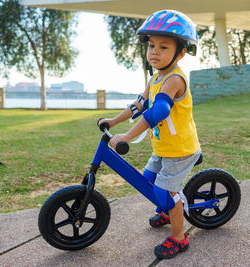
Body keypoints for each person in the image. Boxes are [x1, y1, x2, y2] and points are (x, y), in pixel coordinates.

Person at [99, 10, 201, 259]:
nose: (154, 51)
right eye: (152, 45)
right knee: (148, 181)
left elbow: (158, 112)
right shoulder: (157, 77)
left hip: (180, 150)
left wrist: (127, 136)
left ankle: (179, 237)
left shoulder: (174, 80)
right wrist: (113, 121)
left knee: (165, 194)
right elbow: (139, 105)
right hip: (162, 148)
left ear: (181, 52)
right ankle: (167, 209)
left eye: (163, 47)